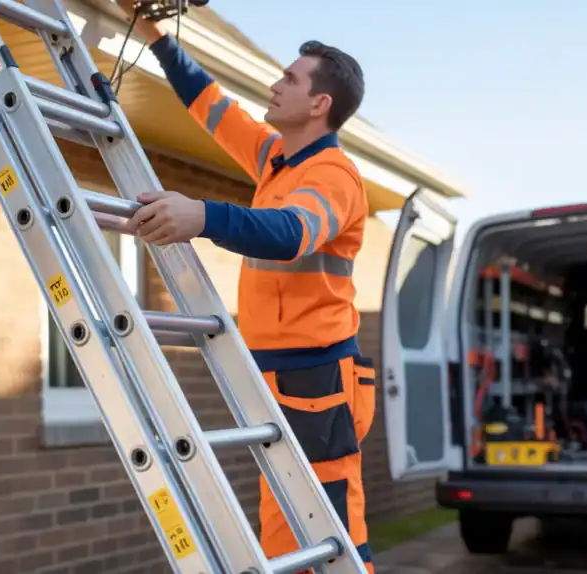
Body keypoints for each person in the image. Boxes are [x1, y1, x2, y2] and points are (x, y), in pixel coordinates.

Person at [117, 3, 376, 572]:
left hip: (318, 379)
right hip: (277, 373)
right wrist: (155, 33)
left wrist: (202, 216)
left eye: (289, 78)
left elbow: (289, 234)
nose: (274, 83)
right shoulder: (276, 160)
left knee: (333, 532)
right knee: (286, 532)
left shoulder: (333, 175)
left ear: (319, 103)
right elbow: (211, 106)